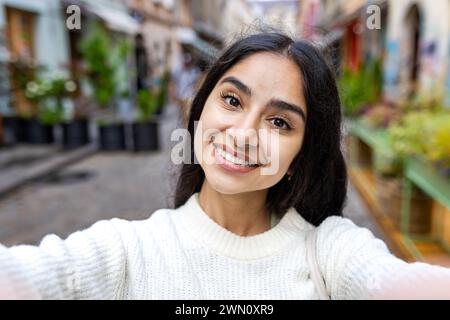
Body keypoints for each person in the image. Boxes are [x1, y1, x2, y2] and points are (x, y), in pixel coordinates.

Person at [1, 32, 450, 300]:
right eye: (232, 100)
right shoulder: (127, 251)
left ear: (301, 156)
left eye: (279, 121)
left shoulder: (329, 252)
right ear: (201, 111)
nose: (242, 133)